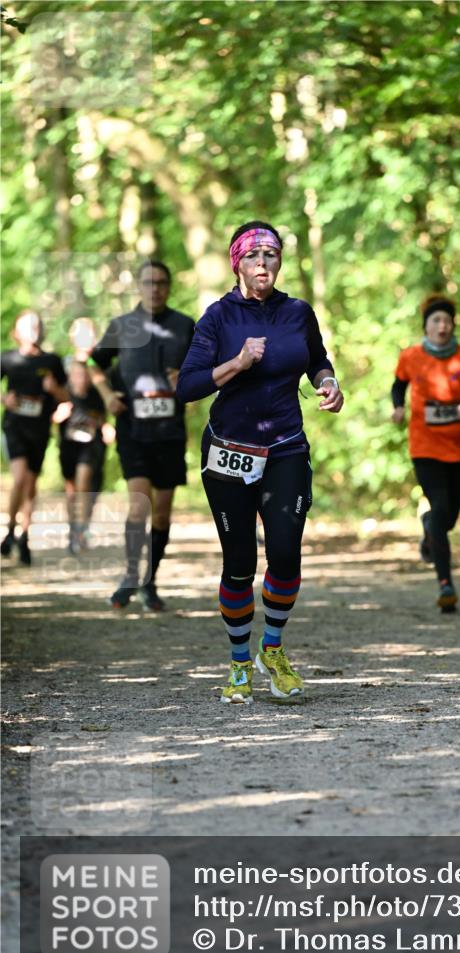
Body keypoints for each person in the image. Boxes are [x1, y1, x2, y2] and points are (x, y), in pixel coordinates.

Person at [177, 220, 343, 705]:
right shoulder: (218, 318)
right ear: (238, 263)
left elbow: (317, 358)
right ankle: (237, 664)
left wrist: (328, 383)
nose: (263, 263)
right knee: (239, 563)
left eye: (272, 254)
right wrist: (237, 364)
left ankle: (271, 649)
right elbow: (187, 387)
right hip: (229, 449)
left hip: (286, 446)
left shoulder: (297, 312)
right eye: (254, 255)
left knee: (286, 555)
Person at [90, 260, 195, 611]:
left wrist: (187, 378)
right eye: (149, 282)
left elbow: (205, 370)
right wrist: (107, 396)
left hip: (170, 432)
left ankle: (150, 581)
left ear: (169, 286)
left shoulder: (184, 326)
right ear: (139, 286)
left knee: (162, 513)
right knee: (139, 506)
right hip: (133, 430)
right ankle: (130, 575)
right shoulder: (121, 326)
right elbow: (93, 366)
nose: (156, 288)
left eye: (162, 282)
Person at [391, 295, 460, 611]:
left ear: (453, 325)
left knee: (447, 518)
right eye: (436, 320)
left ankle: (429, 528)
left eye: (447, 320)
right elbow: (398, 386)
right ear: (426, 326)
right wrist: (397, 407)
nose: (442, 326)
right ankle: (445, 585)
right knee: (440, 505)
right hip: (425, 446)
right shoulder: (411, 356)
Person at [1, 311, 68, 565]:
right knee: (19, 479)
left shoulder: (52, 361)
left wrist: (55, 390)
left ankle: (24, 535)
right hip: (14, 426)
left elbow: (66, 398)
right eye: (27, 326)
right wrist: (4, 399)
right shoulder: (6, 359)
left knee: (30, 485)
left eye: (37, 325)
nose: (33, 330)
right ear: (16, 333)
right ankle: (9, 529)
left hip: (39, 430)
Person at [56, 318, 108, 554]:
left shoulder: (103, 364)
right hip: (68, 435)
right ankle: (74, 531)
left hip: (94, 434)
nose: (86, 338)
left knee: (86, 483)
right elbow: (54, 396)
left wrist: (107, 424)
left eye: (90, 334)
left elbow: (111, 396)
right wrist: (57, 411)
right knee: (72, 488)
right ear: (72, 337)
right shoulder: (64, 365)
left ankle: (82, 529)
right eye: (81, 334)